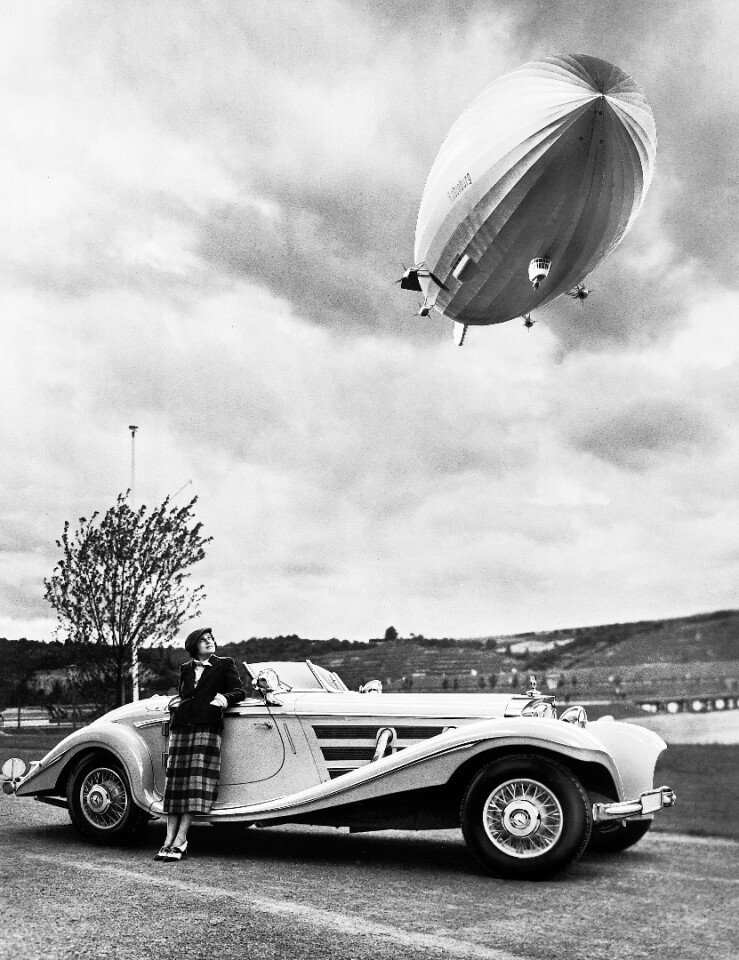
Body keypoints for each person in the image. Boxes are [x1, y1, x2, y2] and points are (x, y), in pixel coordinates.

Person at [155, 626, 245, 862]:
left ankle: (181, 839)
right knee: (176, 784)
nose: (209, 642)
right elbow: (184, 695)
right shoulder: (185, 668)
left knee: (195, 783)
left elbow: (239, 691)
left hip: (207, 726)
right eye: (204, 640)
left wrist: (222, 699)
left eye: (211, 638)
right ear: (194, 646)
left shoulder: (224, 664)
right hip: (181, 726)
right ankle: (167, 840)